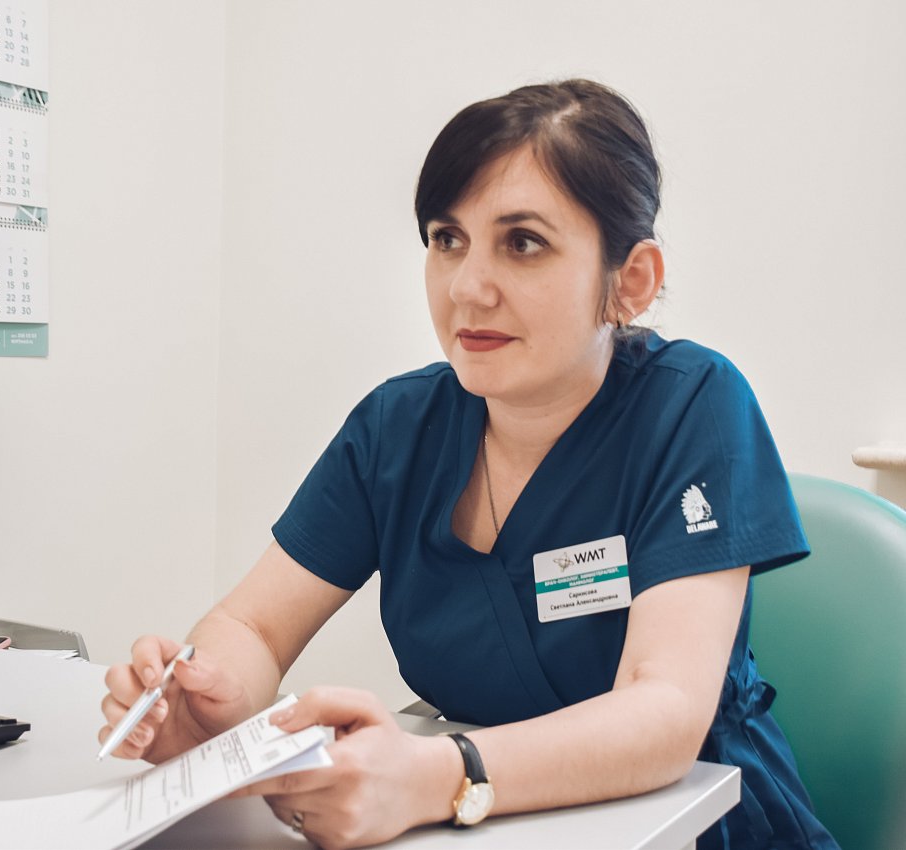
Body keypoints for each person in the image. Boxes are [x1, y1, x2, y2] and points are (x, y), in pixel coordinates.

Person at [100, 79, 839, 850]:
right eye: (448, 239)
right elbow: (252, 625)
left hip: (692, 823)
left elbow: (664, 714)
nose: (467, 288)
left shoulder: (692, 405)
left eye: (523, 244)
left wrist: (436, 776)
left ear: (630, 281)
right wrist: (209, 704)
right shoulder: (397, 428)